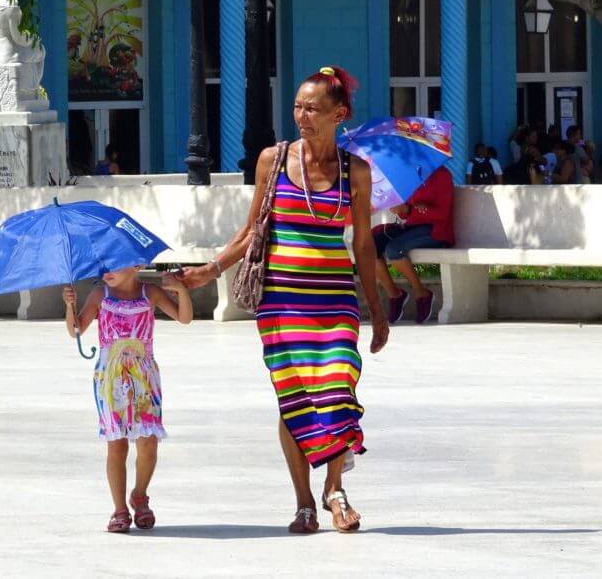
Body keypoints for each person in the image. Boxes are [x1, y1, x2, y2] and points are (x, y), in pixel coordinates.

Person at [179, 66, 388, 534]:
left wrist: (377, 308)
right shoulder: (273, 160)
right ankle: (304, 503)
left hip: (335, 303)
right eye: (297, 106)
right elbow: (252, 230)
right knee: (293, 401)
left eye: (312, 108)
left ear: (340, 114)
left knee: (337, 389)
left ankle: (335, 489)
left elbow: (365, 243)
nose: (301, 116)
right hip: (282, 304)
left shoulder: (355, 171)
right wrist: (210, 271)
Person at [62, 266, 192, 533]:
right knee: (116, 445)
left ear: (135, 266)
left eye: (114, 264)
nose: (105, 270)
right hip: (110, 379)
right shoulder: (101, 294)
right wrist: (69, 306)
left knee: (148, 442)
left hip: (144, 378)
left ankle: (140, 495)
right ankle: (119, 509)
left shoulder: (150, 293)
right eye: (103, 265)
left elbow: (184, 317)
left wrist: (180, 290)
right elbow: (76, 329)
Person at [372, 166, 454, 325]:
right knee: (369, 247)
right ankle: (395, 295)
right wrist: (401, 209)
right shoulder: (412, 175)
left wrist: (412, 209)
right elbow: (406, 212)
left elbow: (442, 214)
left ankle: (421, 294)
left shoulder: (442, 175)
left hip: (436, 230)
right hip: (412, 228)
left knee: (394, 249)